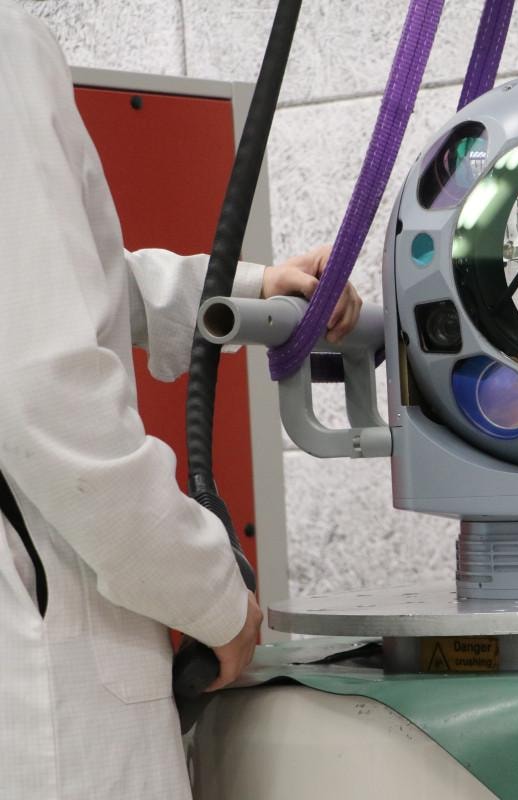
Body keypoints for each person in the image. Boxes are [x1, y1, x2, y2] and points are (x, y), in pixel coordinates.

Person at [0, 4, 362, 798]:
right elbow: (42, 394)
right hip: (40, 694)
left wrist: (240, 291)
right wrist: (213, 596)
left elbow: (48, 282)